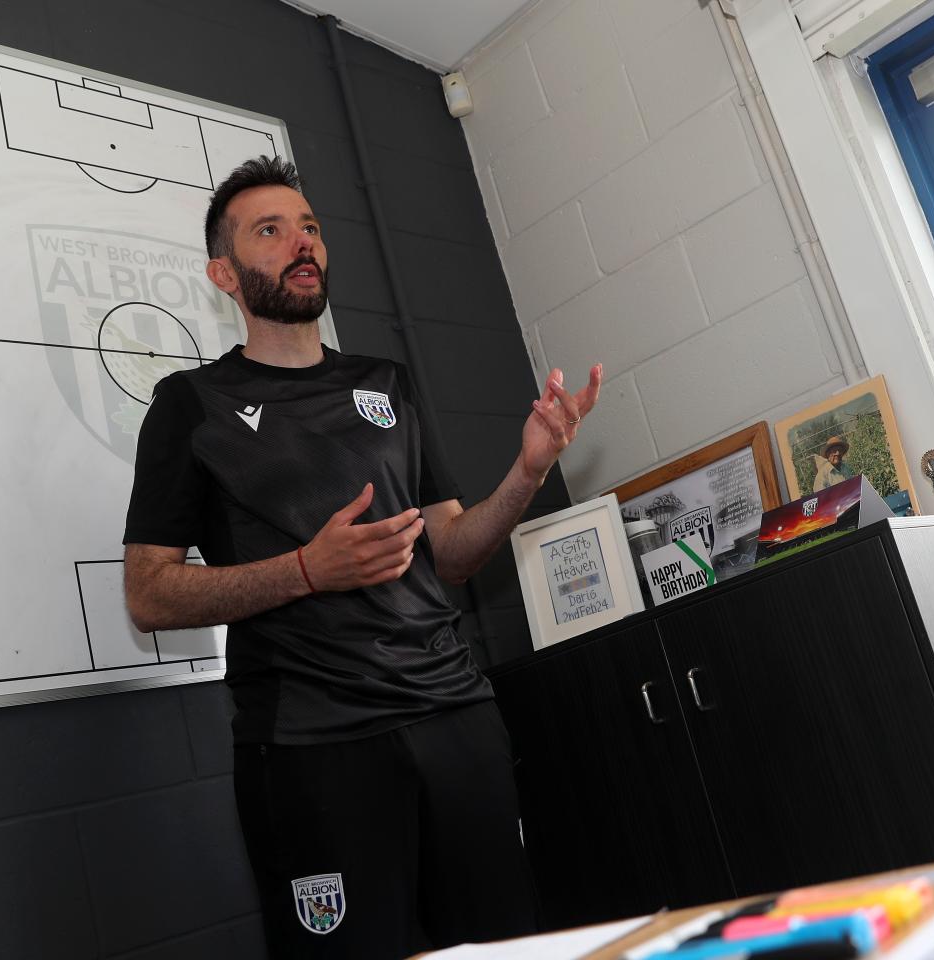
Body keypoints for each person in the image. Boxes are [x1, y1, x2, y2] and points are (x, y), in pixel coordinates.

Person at [122, 156, 602, 959]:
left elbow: (451, 553)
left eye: (308, 226)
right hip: (315, 748)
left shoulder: (387, 382)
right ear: (225, 273)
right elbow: (149, 596)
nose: (300, 243)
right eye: (268, 232)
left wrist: (528, 471)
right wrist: (309, 570)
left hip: (457, 719)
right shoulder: (188, 407)